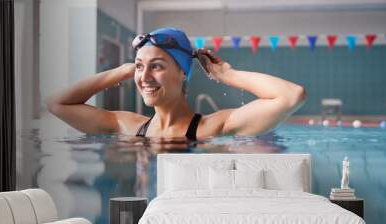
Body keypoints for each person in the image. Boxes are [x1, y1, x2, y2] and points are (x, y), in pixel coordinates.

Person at [47, 27, 306, 140]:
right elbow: (56, 103)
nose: (145, 77)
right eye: (140, 66)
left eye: (156, 66)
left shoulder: (213, 128)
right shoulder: (128, 126)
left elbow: (292, 95)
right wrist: (123, 71)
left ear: (183, 72)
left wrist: (228, 74)